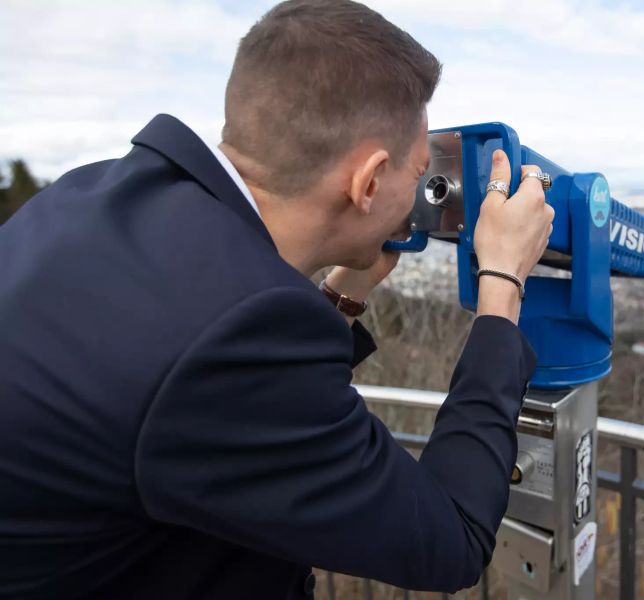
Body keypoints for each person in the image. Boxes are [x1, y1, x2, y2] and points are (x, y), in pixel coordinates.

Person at [0, 1, 554, 598]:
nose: (415, 197)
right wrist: (502, 283)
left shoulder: (93, 195)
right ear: (368, 182)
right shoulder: (232, 337)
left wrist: (344, 293)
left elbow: (217, 400)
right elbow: (450, 538)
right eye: (415, 174)